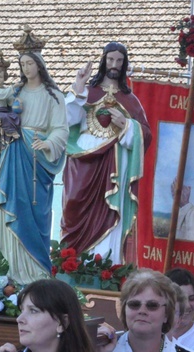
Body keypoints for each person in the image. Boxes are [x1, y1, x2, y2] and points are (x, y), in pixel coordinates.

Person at [0, 27, 68, 284]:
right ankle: (10, 272)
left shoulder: (54, 96)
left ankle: (36, 272)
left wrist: (49, 142)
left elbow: (61, 129)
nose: (27, 68)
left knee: (34, 212)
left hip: (36, 162)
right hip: (12, 154)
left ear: (40, 65)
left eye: (30, 63)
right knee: (10, 206)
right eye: (23, 64)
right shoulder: (14, 93)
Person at [61, 41, 152, 263]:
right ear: (103, 61)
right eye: (111, 59)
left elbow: (146, 135)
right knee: (74, 204)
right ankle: (72, 263)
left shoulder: (130, 100)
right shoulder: (87, 92)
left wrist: (127, 126)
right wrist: (79, 86)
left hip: (114, 163)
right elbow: (65, 119)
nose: (114, 64)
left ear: (124, 64)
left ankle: (105, 266)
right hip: (83, 160)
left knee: (110, 212)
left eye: (119, 61)